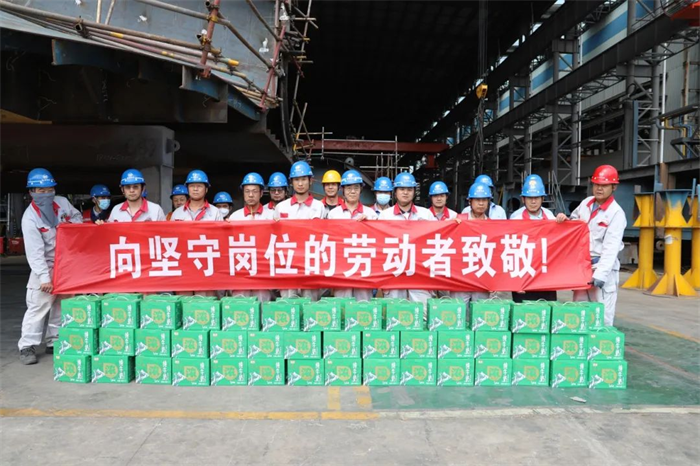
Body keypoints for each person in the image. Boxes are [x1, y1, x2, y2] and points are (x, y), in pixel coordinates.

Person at [19, 168, 83, 364]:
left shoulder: (62, 203)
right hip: (45, 266)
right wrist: (44, 278)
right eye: (41, 190)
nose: (46, 194)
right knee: (39, 306)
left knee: (61, 305)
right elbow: (35, 252)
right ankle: (27, 346)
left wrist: (70, 225)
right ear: (31, 192)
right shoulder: (30, 218)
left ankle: (54, 341)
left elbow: (77, 217)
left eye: (49, 189)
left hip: (66, 265)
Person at [556, 165, 626, 326]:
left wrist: (600, 275)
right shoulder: (586, 203)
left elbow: (611, 248)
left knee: (602, 316)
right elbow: (574, 224)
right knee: (579, 313)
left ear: (613, 187)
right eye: (596, 184)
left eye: (604, 185)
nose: (599, 188)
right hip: (583, 268)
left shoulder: (616, 213)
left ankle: (602, 342)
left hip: (601, 269)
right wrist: (565, 220)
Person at [378, 172, 435, 310]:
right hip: (394, 271)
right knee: (394, 312)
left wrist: (454, 225)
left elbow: (436, 238)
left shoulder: (426, 214)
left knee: (421, 312)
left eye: (409, 189)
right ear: (395, 192)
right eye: (402, 189)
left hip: (419, 272)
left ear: (414, 192)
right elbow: (378, 244)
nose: (405, 192)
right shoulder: (385, 216)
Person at [275, 161, 326, 299]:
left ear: (310, 181)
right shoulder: (281, 207)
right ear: (291, 182)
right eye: (297, 180)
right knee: (288, 305)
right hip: (288, 265)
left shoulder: (319, 207)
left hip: (311, 265)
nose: (300, 183)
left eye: (304, 179)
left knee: (310, 305)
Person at [328, 170, 378, 301]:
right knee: (342, 303)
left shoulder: (371, 214)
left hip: (363, 265)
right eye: (348, 188)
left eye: (356, 188)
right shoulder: (333, 214)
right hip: (341, 266)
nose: (352, 191)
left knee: (364, 304)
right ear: (342, 190)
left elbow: (378, 242)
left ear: (361, 189)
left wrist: (370, 225)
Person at [510, 174, 557, 303]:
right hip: (523, 274)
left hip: (545, 274)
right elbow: (511, 250)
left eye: (536, 198)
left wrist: (564, 222)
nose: (533, 201)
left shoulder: (550, 216)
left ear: (542, 198)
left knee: (546, 310)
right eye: (529, 198)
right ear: (523, 199)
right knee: (523, 311)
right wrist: (515, 281)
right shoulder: (515, 219)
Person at [228, 172, 274, 301]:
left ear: (261, 193)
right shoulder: (235, 217)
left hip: (263, 269)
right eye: (247, 191)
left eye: (254, 191)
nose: (251, 195)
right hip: (241, 268)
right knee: (241, 305)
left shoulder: (271, 215)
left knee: (263, 303)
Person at [451, 181, 493, 310]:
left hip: (482, 278)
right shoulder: (458, 220)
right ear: (470, 201)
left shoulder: (493, 225)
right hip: (460, 278)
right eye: (477, 200)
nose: (481, 203)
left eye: (484, 200)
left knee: (480, 313)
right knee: (458, 312)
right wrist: (450, 226)